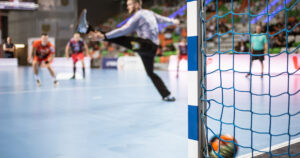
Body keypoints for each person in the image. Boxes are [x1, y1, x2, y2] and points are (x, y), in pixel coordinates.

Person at [87, 0, 179, 101]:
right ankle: (166, 95)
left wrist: (105, 36)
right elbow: (163, 19)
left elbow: (124, 30)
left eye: (129, 5)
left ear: (137, 4)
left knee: (124, 39)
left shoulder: (138, 16)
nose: (128, 7)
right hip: (150, 50)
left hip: (145, 45)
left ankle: (96, 33)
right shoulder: (150, 13)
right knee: (151, 73)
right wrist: (173, 21)